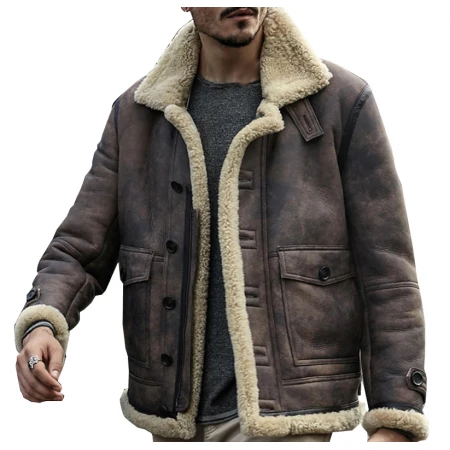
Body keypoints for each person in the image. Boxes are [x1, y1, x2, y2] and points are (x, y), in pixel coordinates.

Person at [14, 6, 428, 443]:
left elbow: (388, 273)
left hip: (288, 422)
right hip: (174, 422)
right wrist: (43, 323)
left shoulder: (340, 102)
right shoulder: (136, 115)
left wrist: (395, 419)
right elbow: (79, 248)